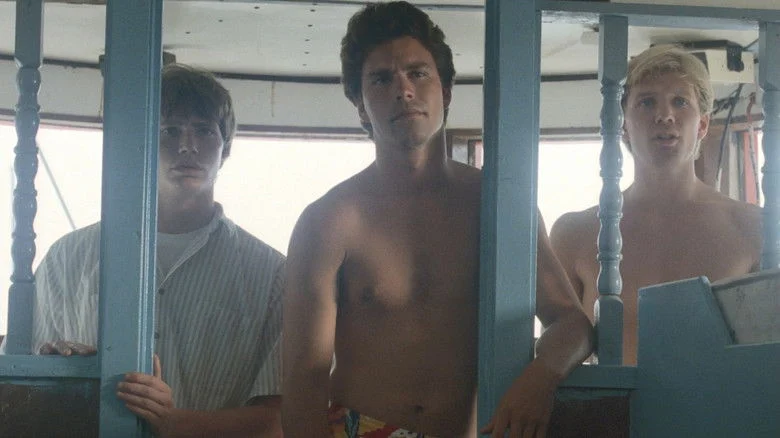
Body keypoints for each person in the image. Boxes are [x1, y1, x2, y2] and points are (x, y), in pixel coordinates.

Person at [281, 2, 594, 437]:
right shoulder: (329, 222)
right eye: (382, 79)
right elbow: (304, 383)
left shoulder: (499, 207)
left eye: (418, 73)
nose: (403, 90)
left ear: (446, 91)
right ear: (360, 105)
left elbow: (574, 324)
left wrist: (542, 377)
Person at [29, 64, 284, 437]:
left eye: (204, 130)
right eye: (169, 130)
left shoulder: (272, 273)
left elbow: (280, 419)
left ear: (225, 146)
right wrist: (60, 371)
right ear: (141, 141)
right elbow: (24, 388)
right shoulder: (66, 258)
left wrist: (173, 422)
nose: (187, 146)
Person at [550, 45, 762, 365]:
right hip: (614, 400)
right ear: (623, 123)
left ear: (702, 125)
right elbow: (554, 355)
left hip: (724, 399)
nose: (664, 116)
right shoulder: (575, 233)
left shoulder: (754, 226)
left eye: (680, 101)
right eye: (647, 102)